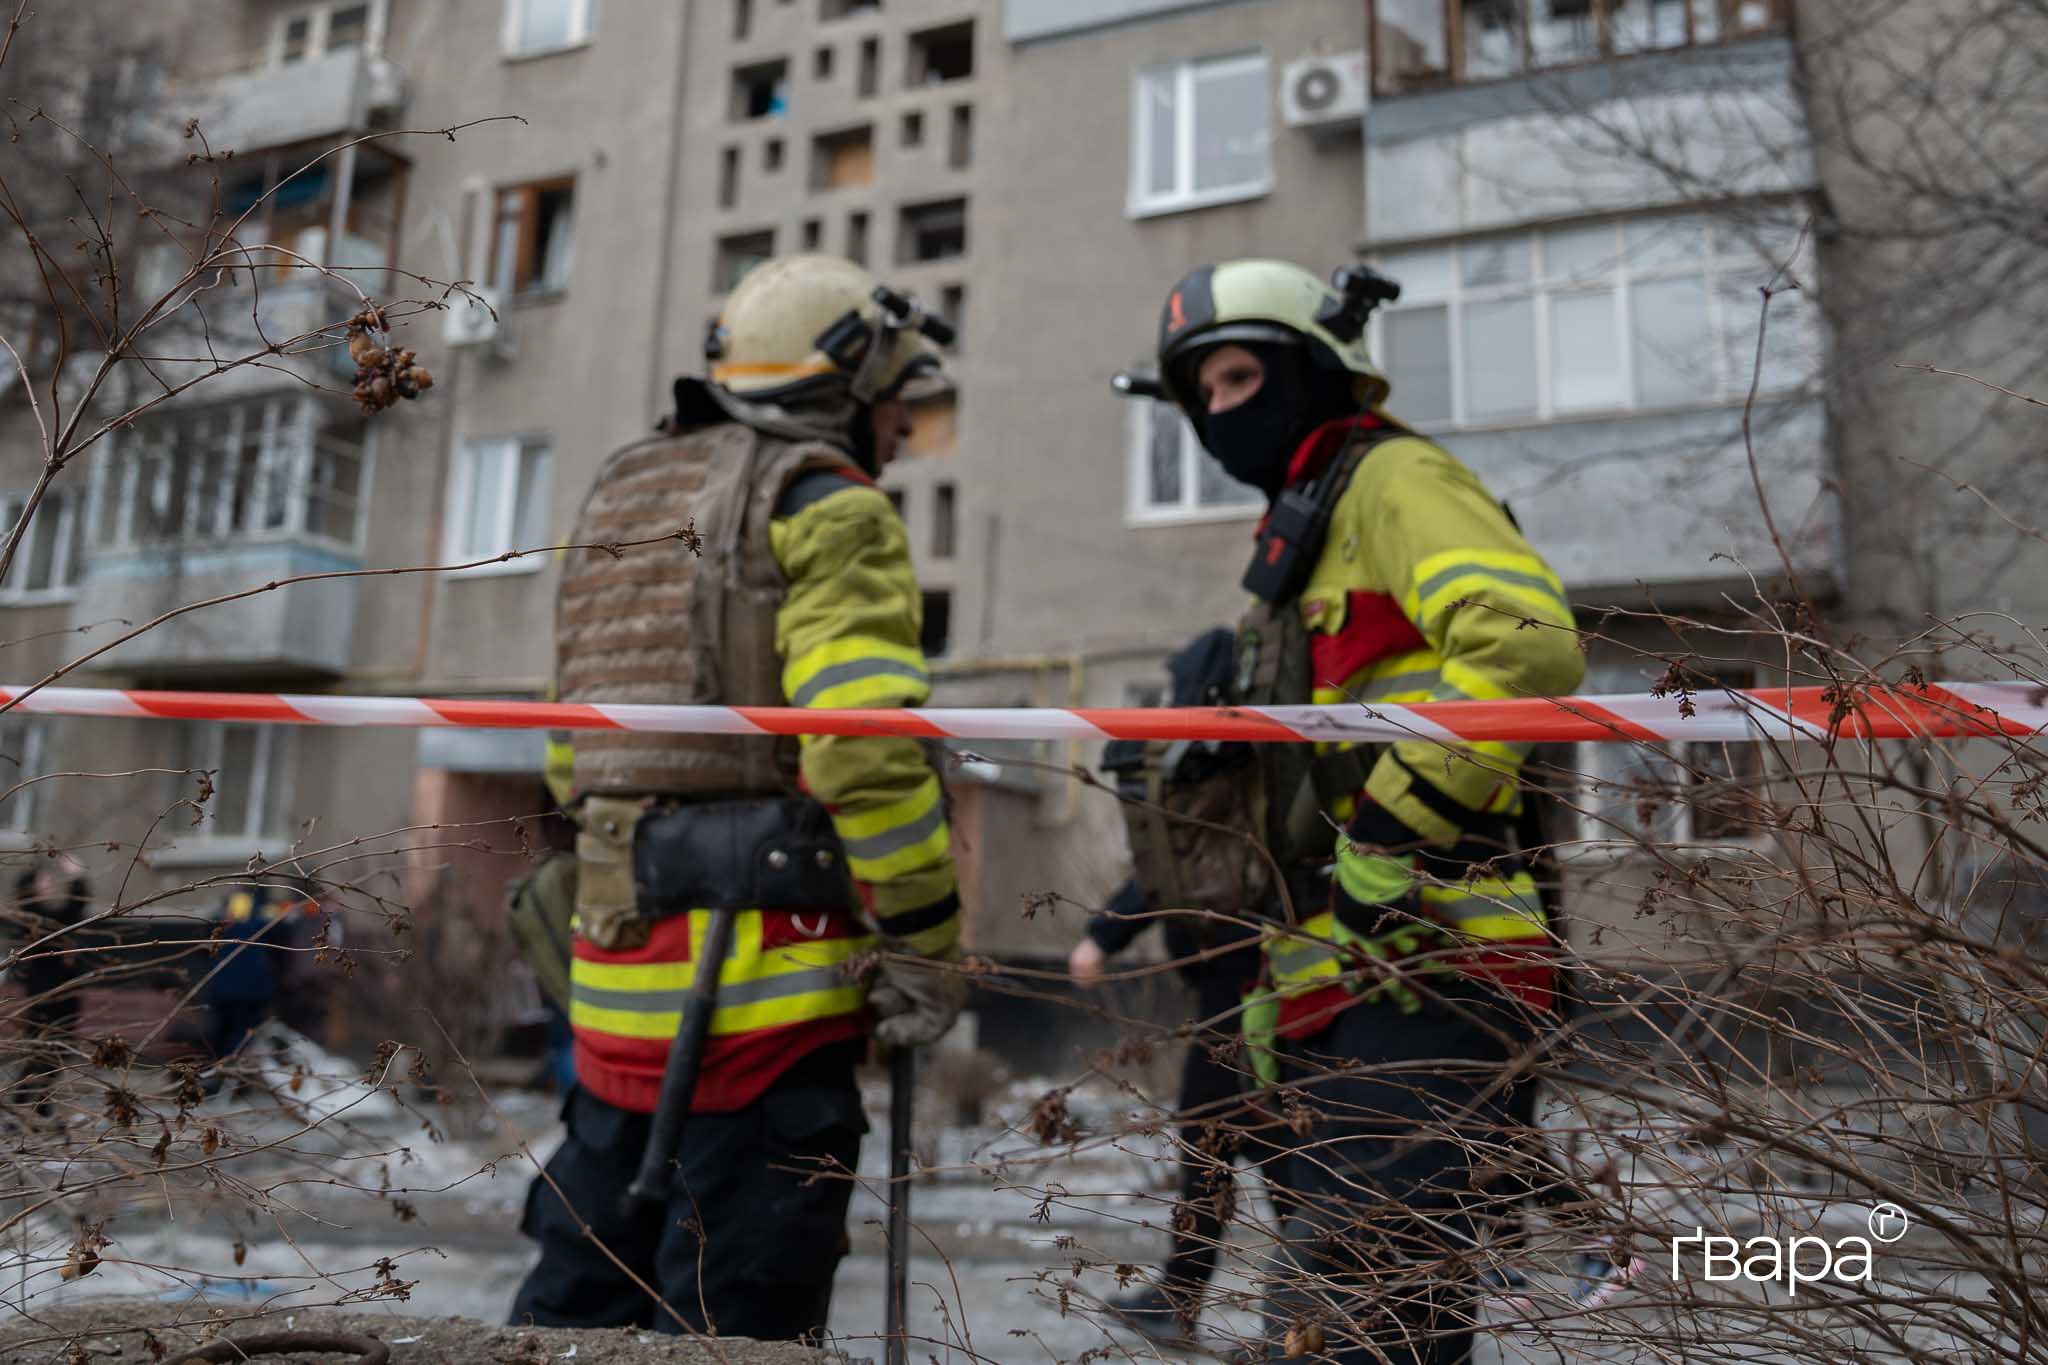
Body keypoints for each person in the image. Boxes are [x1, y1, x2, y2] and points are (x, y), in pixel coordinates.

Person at [1133, 259, 1586, 1364]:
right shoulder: (1304, 533)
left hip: (1435, 956)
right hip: (1335, 977)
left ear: (1312, 369)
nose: (1218, 411)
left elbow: (1524, 645)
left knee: (1364, 1315)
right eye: (1202, 393)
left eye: (1240, 378)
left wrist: (1385, 838)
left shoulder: (1392, 478)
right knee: (1332, 1318)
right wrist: (1274, 976)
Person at [510, 255, 966, 1341]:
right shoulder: (828, 505)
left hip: (613, 1009)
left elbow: (571, 757)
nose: (904, 429)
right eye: (895, 400)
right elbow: (862, 752)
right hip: (762, 1019)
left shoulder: (625, 492)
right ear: (847, 388)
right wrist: (925, 941)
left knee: (569, 1326)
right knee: (733, 1331)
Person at [1070, 630, 1294, 1346]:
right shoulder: (1225, 762)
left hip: (1246, 981)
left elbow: (1175, 864)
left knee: (1222, 1132)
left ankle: (1210, 1295)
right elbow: (1169, 867)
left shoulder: (1228, 764)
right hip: (1238, 982)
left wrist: (1102, 935)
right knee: (1253, 1134)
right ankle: (1309, 1285)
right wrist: (1104, 934)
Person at [10, 856, 90, 1114]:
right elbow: (71, 910)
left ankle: (37, 1098)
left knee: (56, 1046)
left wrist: (75, 877)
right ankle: (28, 1097)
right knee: (44, 1045)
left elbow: (73, 911)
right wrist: (75, 877)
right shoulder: (32, 919)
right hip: (46, 994)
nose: (49, 884)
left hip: (65, 992)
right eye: (43, 881)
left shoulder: (51, 919)